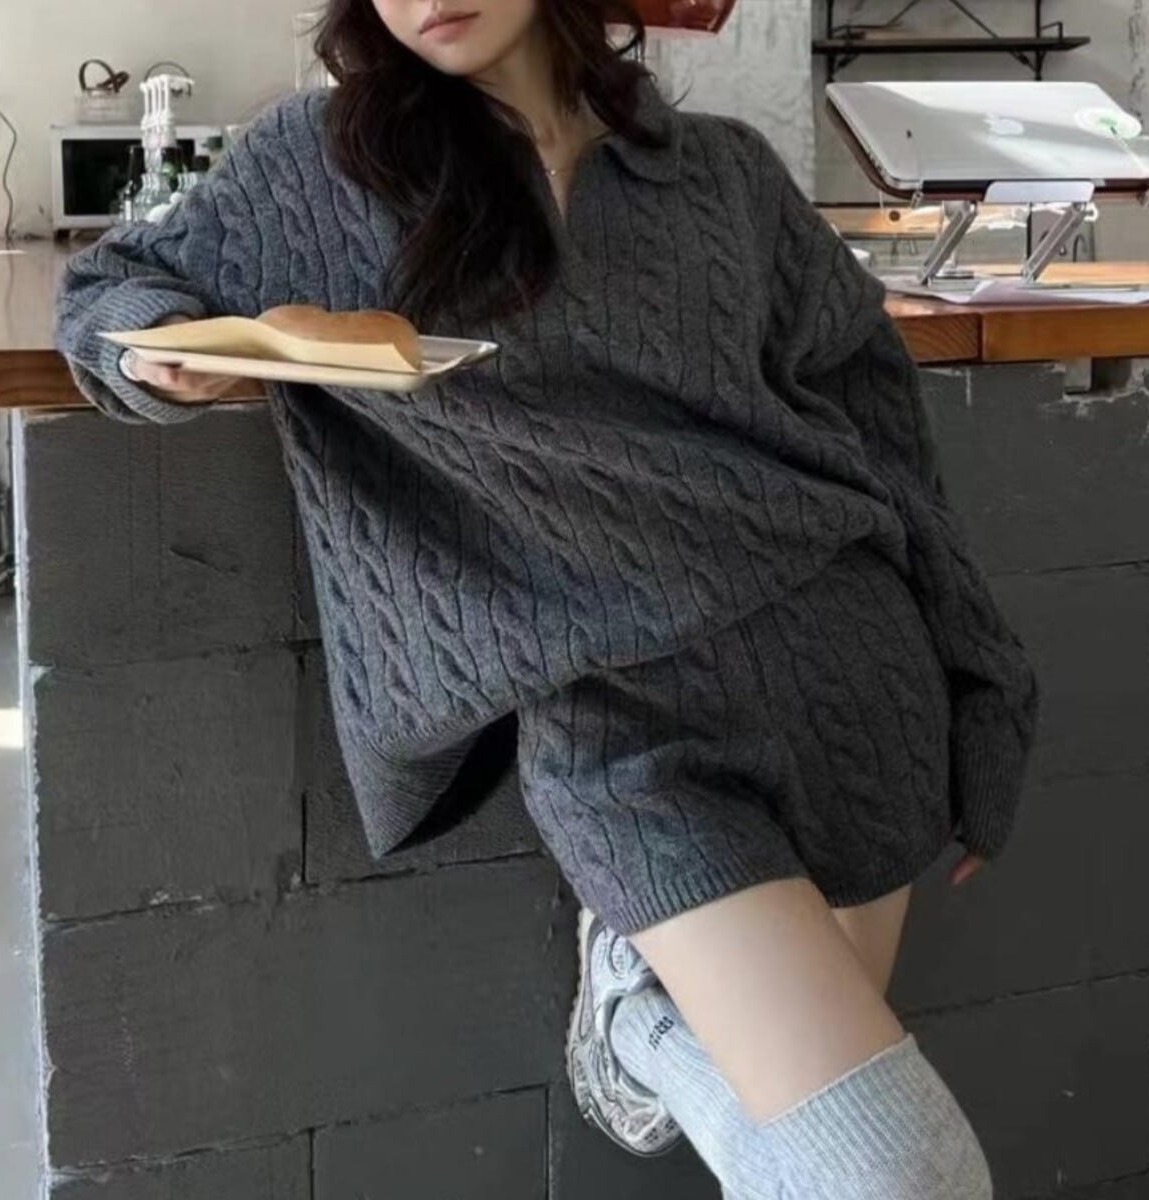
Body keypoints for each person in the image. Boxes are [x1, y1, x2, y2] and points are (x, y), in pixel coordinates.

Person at [55, 1, 1039, 1195]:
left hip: (848, 671)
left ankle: (643, 1021)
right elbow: (112, 285)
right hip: (624, 727)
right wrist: (155, 349)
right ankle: (639, 1011)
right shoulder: (324, 163)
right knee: (898, 1176)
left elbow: (882, 432)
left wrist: (985, 688)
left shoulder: (720, 170)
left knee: (806, 1164)